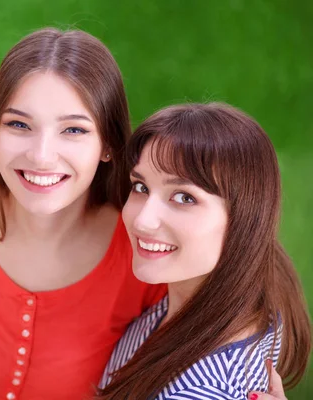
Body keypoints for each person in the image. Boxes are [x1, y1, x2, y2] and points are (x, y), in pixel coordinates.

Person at [97, 103, 311, 400]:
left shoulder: (198, 391)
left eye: (184, 197)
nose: (143, 221)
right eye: (141, 187)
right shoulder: (251, 296)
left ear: (245, 220)